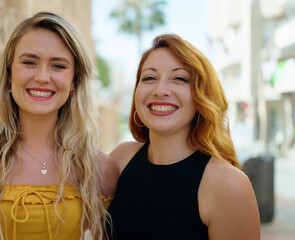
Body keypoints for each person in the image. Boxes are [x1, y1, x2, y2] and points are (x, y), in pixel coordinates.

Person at [0, 12, 114, 240]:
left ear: (74, 81)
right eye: (29, 62)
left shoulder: (98, 168)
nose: (42, 77)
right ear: (9, 74)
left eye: (58, 65)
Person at [106, 34, 260, 239]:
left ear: (201, 97)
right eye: (149, 78)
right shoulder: (119, 159)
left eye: (179, 78)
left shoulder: (228, 185)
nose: (160, 90)